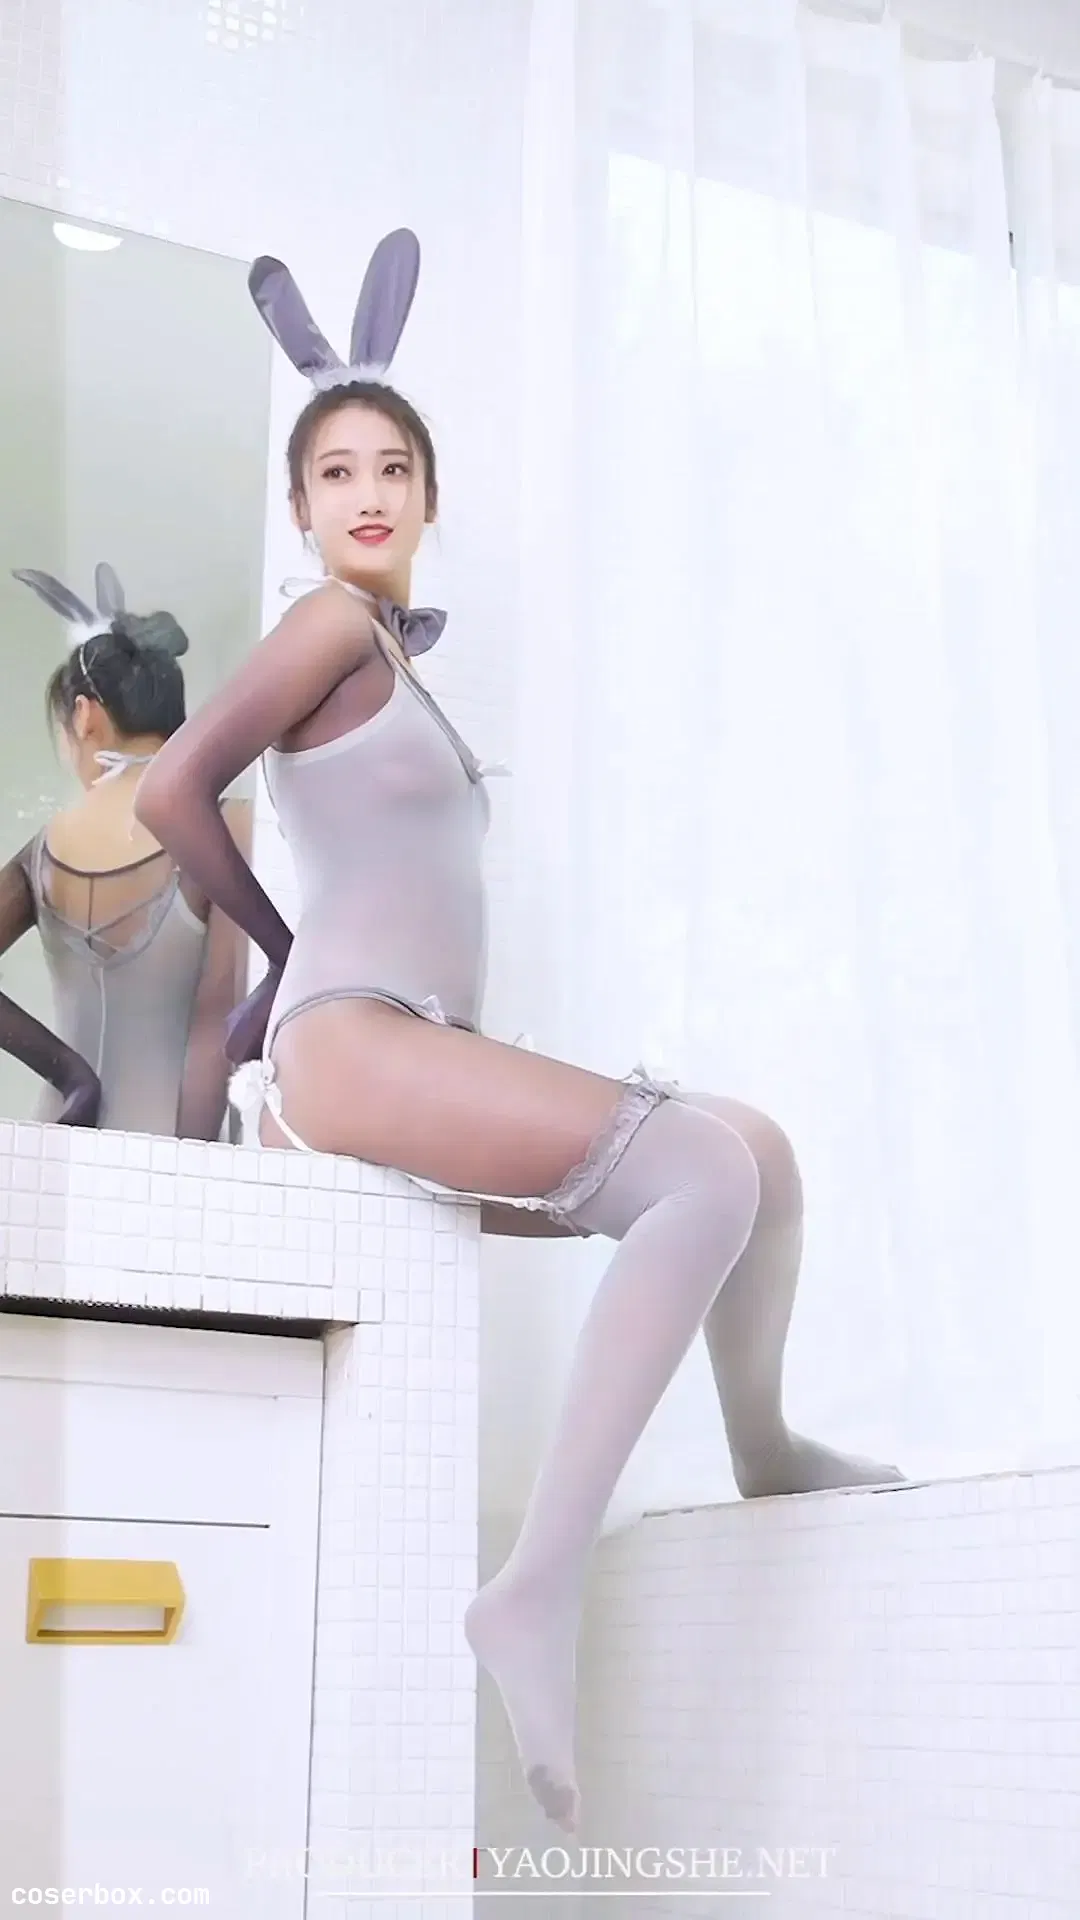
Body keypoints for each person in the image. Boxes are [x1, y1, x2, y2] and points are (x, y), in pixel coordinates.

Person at [135, 231, 903, 1828]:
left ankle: (762, 1447)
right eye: (335, 471)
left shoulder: (400, 671)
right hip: (354, 1041)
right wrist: (282, 956)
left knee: (756, 1155)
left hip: (408, 1049)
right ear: (299, 508)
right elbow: (171, 791)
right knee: (697, 1165)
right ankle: (534, 1589)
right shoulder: (325, 624)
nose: (366, 492)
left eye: (393, 468)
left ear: (430, 496)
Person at [0, 563, 250, 1138]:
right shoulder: (227, 827)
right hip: (171, 1154)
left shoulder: (44, 850)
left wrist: (71, 1074)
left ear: (84, 716)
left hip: (55, 1148)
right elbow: (218, 1023)